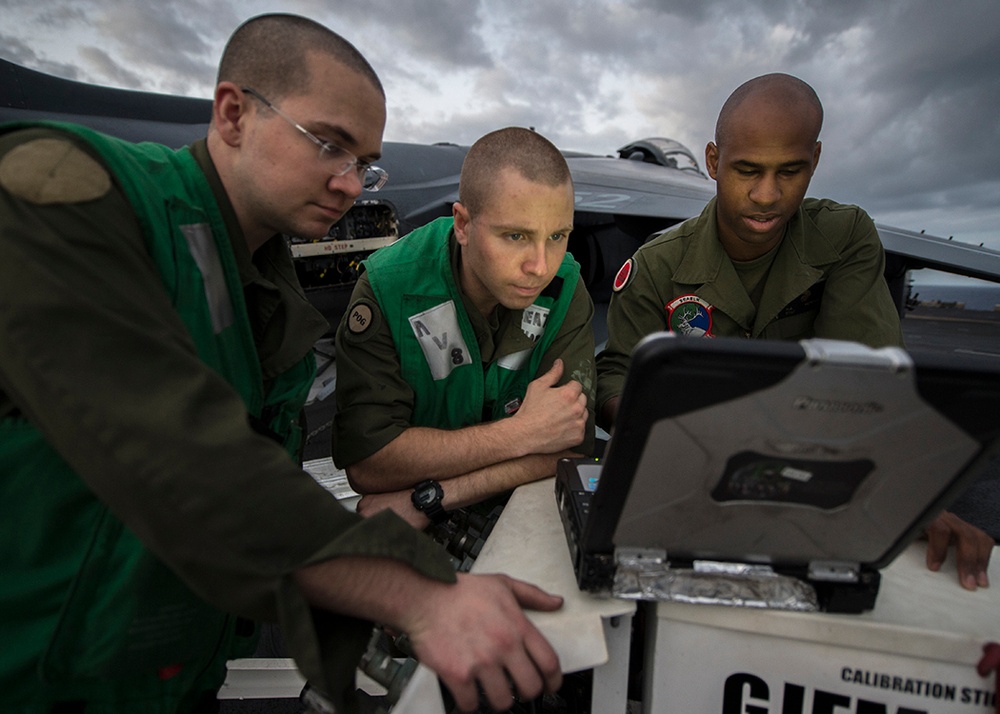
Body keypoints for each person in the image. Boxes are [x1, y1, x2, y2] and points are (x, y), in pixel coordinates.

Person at [0, 14, 563, 713]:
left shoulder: (263, 283)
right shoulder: (61, 194)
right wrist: (413, 591)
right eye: (329, 146)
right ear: (233, 114)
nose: (352, 185)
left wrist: (413, 581)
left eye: (364, 163)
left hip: (157, 675)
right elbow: (178, 450)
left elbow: (254, 488)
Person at [595, 72, 993, 591]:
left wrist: (904, 499)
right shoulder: (657, 266)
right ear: (713, 162)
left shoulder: (844, 238)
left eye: (790, 171)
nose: (767, 195)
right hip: (693, 474)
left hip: (822, 475)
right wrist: (662, 428)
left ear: (816, 161)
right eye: (747, 170)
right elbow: (614, 378)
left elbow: (871, 383)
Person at [333, 126, 595, 529]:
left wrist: (434, 497)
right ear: (463, 224)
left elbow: (572, 447)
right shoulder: (390, 287)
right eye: (515, 236)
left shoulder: (564, 286)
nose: (540, 266)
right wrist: (521, 434)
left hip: (512, 514)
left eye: (557, 236)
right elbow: (370, 465)